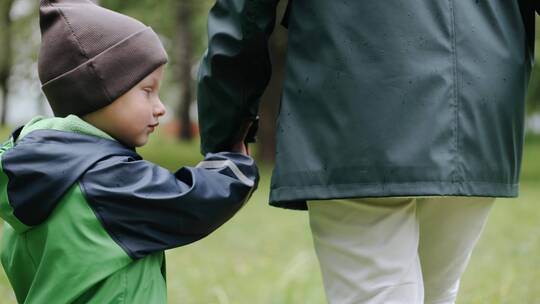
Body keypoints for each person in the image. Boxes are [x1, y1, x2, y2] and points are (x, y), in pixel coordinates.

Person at [197, 0, 538, 303]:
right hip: (482, 104)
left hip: (355, 101)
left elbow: (243, 13)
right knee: (436, 293)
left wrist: (225, 126)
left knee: (379, 293)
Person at [0, 1, 258, 303]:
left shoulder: (35, 172)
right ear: (98, 91)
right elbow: (190, 202)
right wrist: (235, 166)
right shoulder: (103, 179)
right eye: (147, 91)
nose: (160, 107)